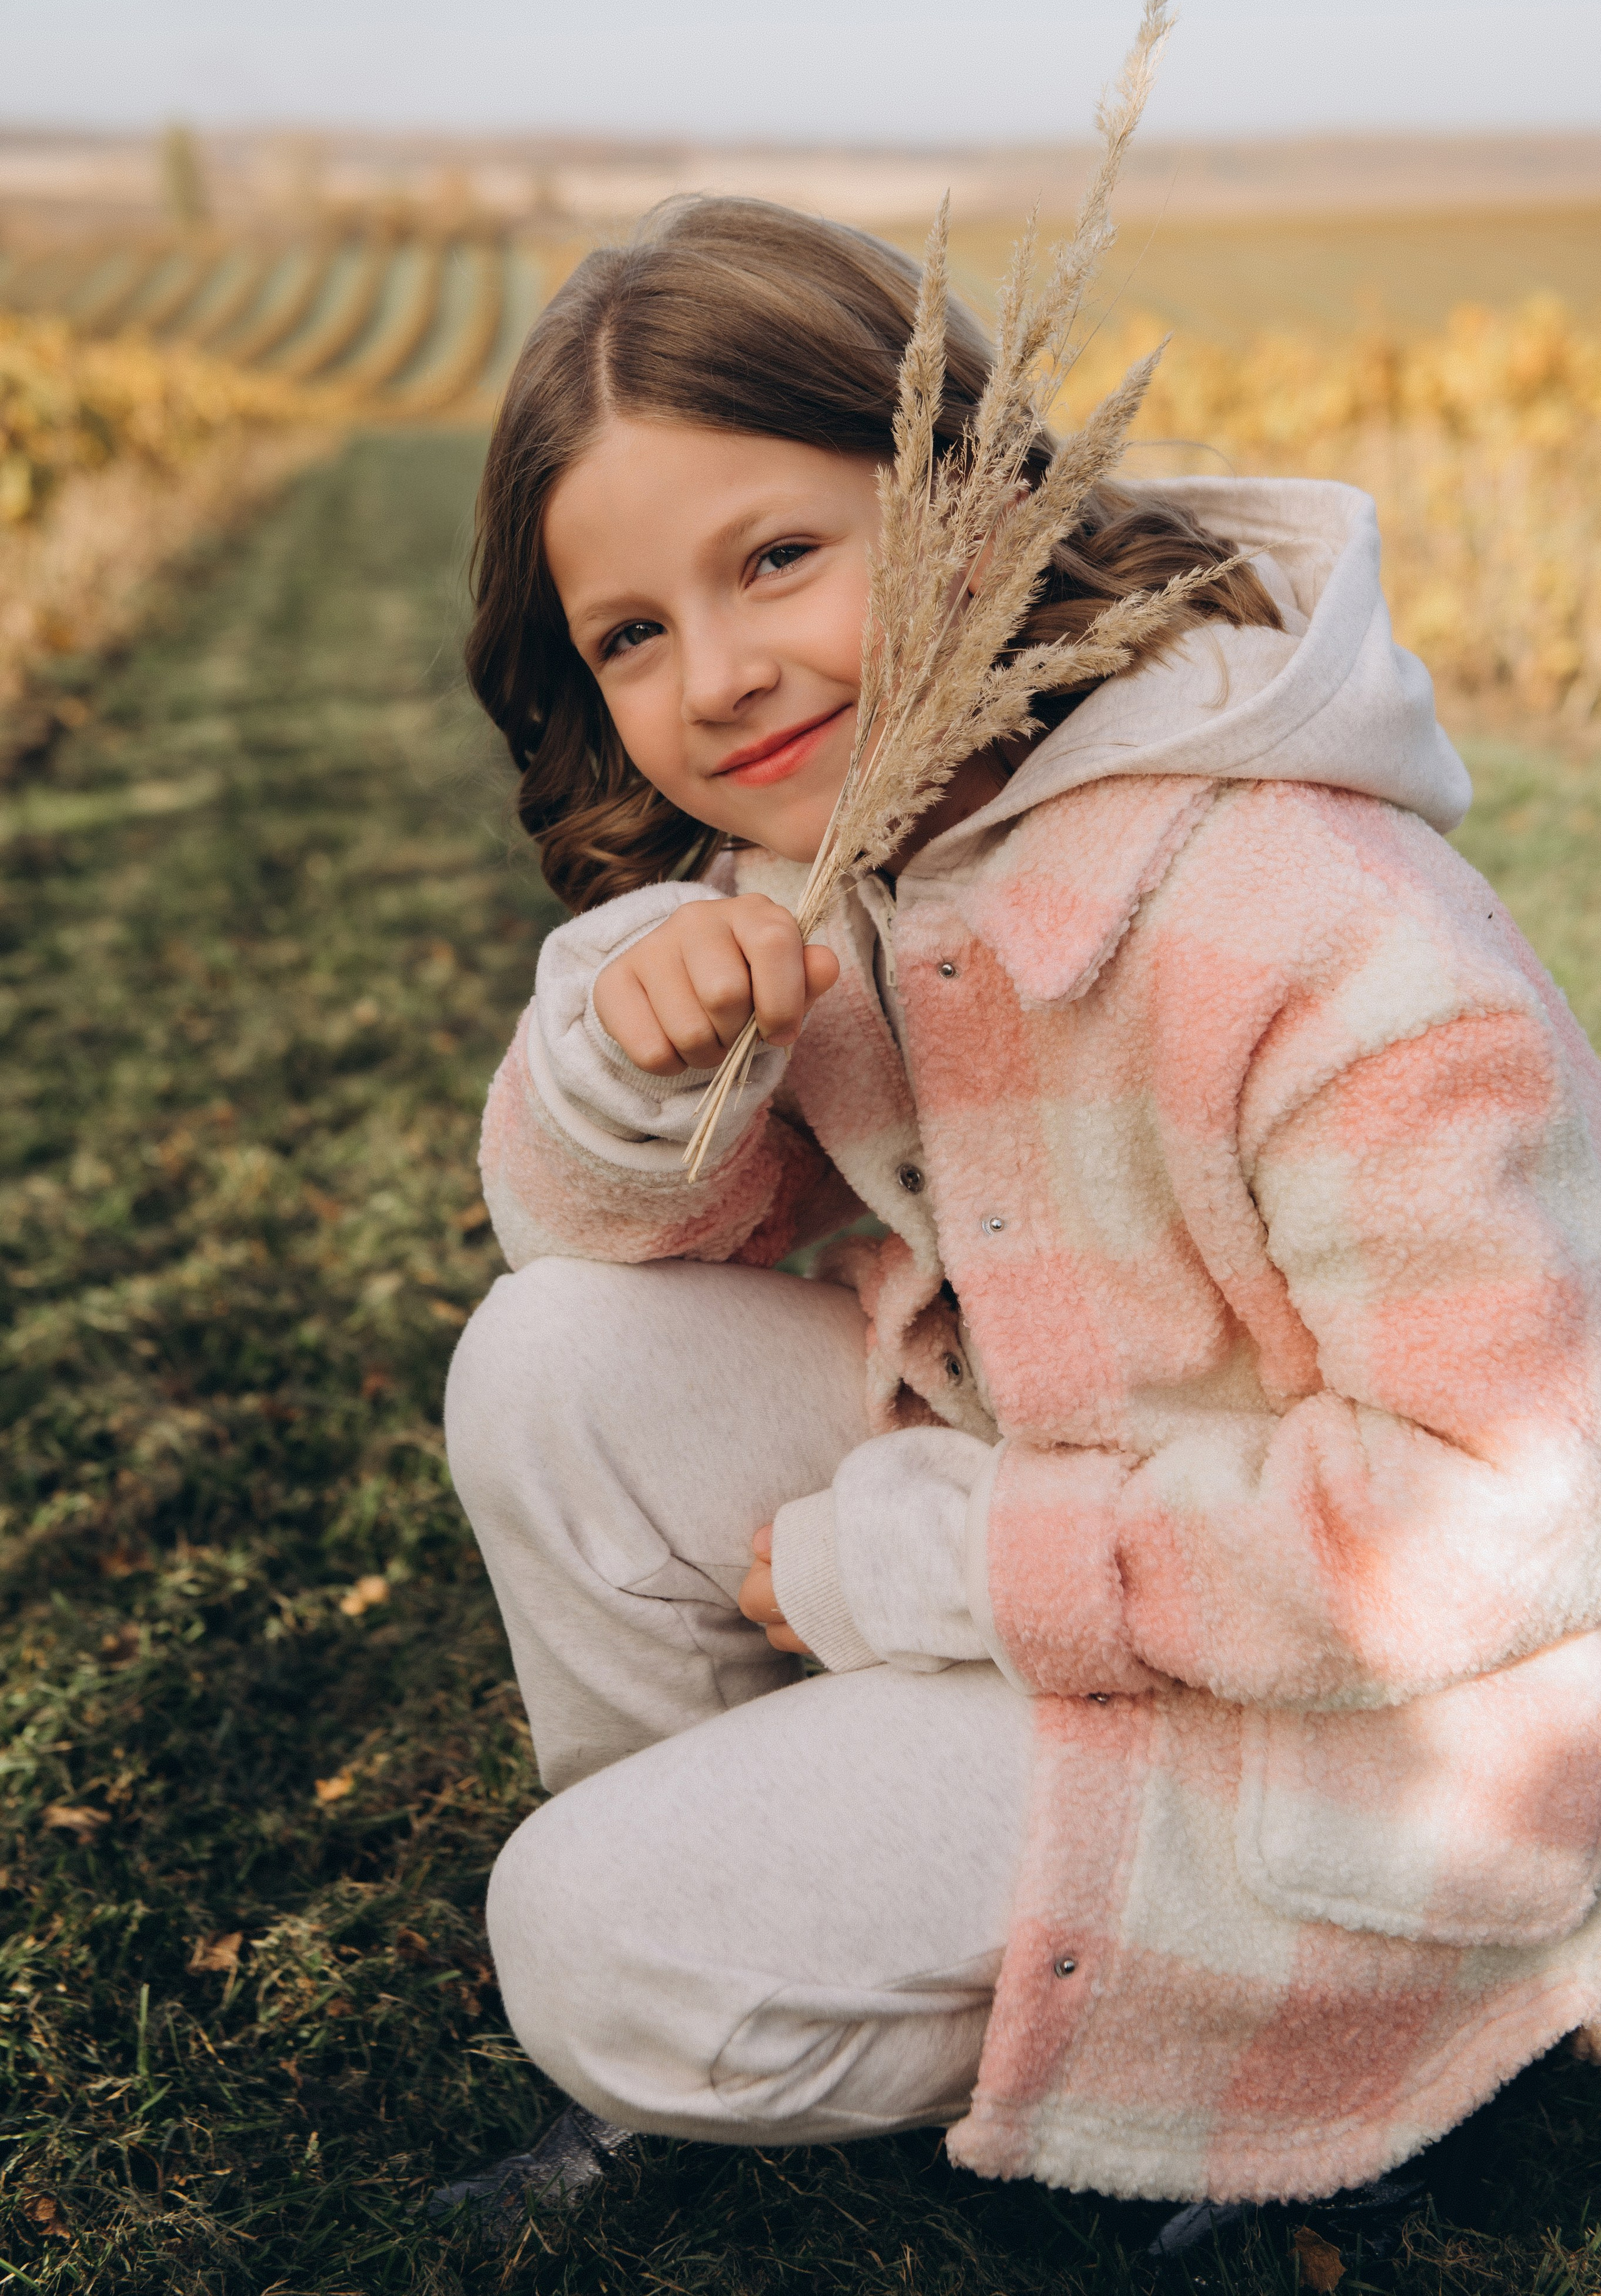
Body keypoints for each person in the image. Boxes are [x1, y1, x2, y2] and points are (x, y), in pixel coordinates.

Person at [438, 194, 1601, 2222]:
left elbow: (1501, 1523)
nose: (715, 677)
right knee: (552, 1358)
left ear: (971, 498)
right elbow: (606, 1254)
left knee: (579, 1943)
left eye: (777, 557)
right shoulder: (860, 865)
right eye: (632, 634)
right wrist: (631, 1073)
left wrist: (947, 1572)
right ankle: (735, 1949)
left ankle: (1407, 2028)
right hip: (1090, 1539)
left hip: (1386, 1725)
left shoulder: (1323, 927)